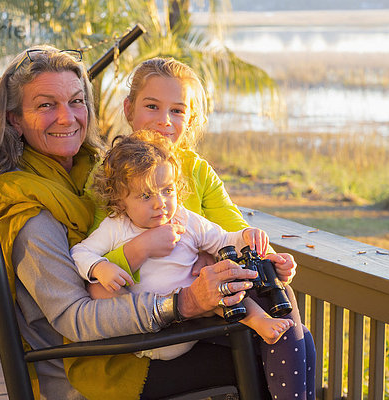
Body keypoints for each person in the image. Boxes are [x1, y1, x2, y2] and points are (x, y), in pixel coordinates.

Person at [0, 45, 296, 400]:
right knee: (259, 351)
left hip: (141, 336)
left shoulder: (97, 174)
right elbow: (76, 318)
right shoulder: (31, 214)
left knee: (276, 323)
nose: (67, 118)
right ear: (14, 119)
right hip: (100, 366)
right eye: (46, 104)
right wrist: (182, 303)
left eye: (77, 101)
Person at [112, 57, 317, 399]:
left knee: (283, 311)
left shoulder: (196, 170)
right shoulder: (112, 172)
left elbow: (235, 230)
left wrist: (265, 254)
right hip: (157, 314)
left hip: (214, 305)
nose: (164, 121)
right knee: (294, 339)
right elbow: (95, 257)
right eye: (152, 106)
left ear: (190, 119)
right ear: (129, 109)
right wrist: (145, 247)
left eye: (177, 111)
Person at [71, 130, 294, 361]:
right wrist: (99, 267)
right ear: (120, 199)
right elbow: (80, 252)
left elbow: (223, 240)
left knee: (225, 290)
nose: (161, 204)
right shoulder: (116, 227)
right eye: (146, 196)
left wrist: (246, 235)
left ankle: (260, 321)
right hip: (143, 331)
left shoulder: (185, 220)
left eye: (167, 191)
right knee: (98, 289)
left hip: (193, 319)